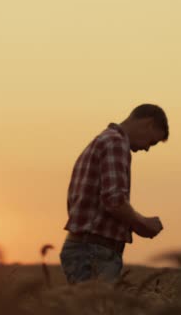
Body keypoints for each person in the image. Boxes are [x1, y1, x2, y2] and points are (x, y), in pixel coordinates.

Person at [60, 104, 168, 283]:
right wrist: (143, 224)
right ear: (149, 124)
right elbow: (114, 201)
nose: (148, 149)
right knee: (98, 310)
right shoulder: (116, 143)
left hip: (85, 247)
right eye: (152, 142)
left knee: (87, 310)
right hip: (95, 250)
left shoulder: (102, 140)